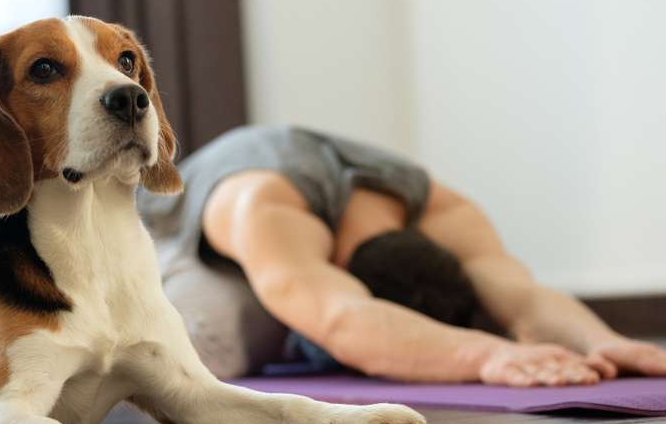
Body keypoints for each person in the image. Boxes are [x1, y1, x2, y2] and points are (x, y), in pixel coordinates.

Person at [138, 125, 666, 386]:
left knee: (304, 308)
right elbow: (344, 318)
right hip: (171, 234)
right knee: (214, 349)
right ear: (343, 274)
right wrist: (485, 355)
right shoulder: (266, 210)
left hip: (297, 234)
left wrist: (607, 341)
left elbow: (522, 298)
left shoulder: (440, 209)